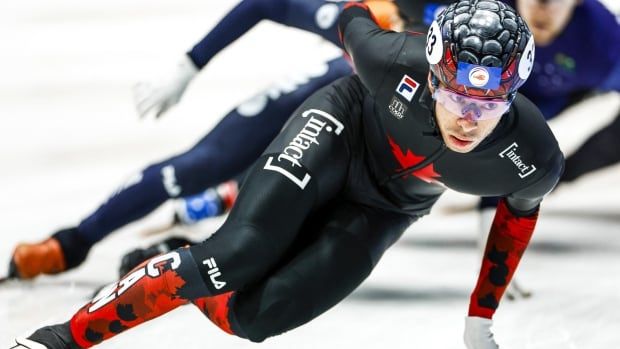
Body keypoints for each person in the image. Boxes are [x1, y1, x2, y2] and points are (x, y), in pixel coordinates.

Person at [11, 1, 564, 348]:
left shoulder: (533, 156)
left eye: (490, 104)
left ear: (515, 95)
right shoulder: (391, 58)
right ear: (431, 75)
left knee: (252, 320)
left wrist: (478, 318)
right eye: (456, 95)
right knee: (234, 256)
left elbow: (515, 224)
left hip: (388, 206)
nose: (469, 119)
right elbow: (338, 12)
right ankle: (56, 339)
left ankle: (169, 262)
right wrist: (191, 61)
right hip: (340, 130)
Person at [6, 0, 406, 280]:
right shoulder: (378, 19)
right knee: (197, 166)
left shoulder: (439, 56)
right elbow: (269, 3)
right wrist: (188, 64)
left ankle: (214, 218)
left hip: (384, 143)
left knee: (298, 213)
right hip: (334, 95)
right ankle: (74, 241)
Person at [475, 0, 620, 299]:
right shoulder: (483, 21)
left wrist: (565, 171)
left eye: (552, 1)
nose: (542, 12)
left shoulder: (602, 44)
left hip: (561, 95)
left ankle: (556, 178)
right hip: (498, 94)